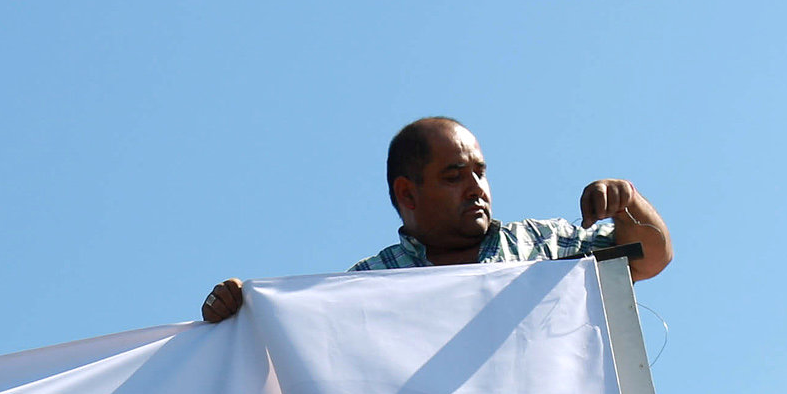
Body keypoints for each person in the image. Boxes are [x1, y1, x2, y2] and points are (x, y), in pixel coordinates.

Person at [198, 118, 672, 322]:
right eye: (453, 176)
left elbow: (650, 258)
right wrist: (247, 313)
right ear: (407, 193)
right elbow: (300, 354)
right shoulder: (368, 286)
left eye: (480, 172)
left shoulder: (544, 245)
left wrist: (626, 201)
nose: (475, 188)